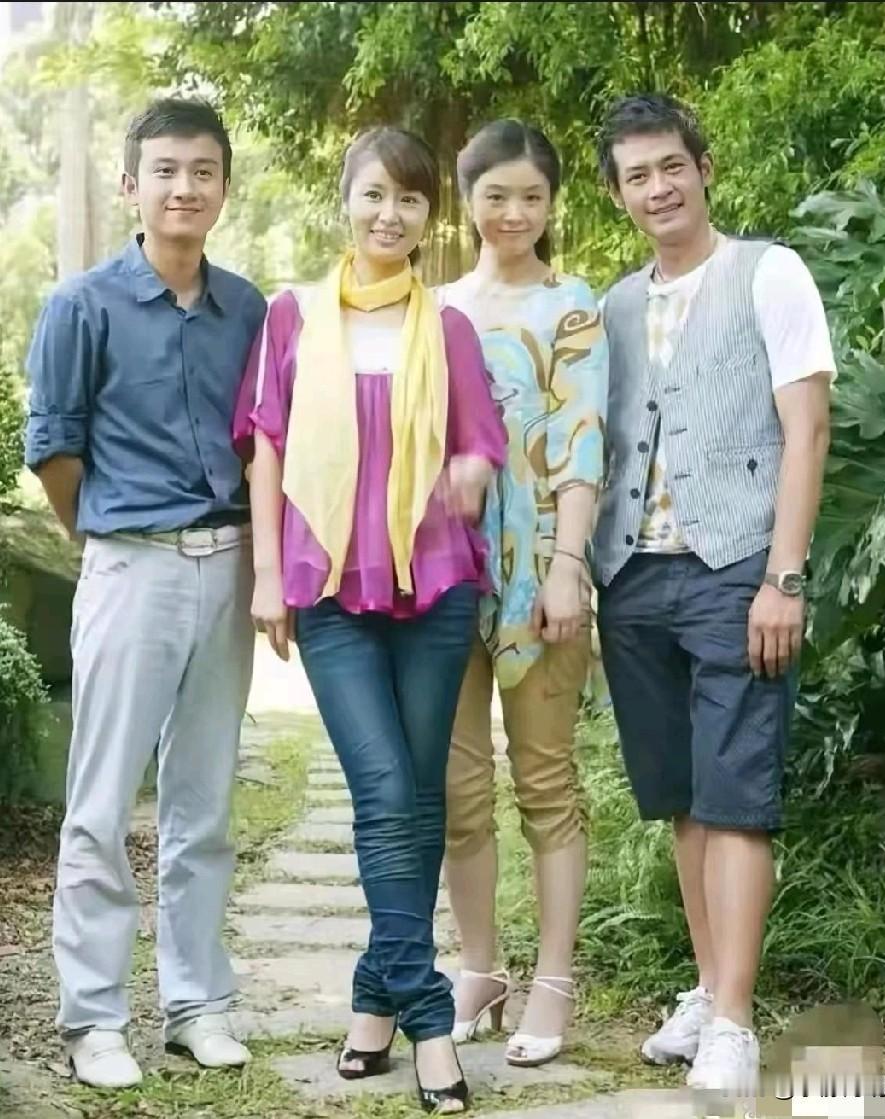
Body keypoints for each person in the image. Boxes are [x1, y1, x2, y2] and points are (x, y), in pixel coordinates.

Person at [232, 126, 506, 1114]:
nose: (390, 214)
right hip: (329, 588)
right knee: (388, 790)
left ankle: (373, 998)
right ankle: (430, 1014)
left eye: (410, 200)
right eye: (375, 194)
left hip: (435, 586)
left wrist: (466, 470)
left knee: (418, 797)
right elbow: (265, 445)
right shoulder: (294, 315)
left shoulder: (451, 328)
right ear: (345, 199)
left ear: (430, 216)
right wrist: (269, 575)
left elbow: (480, 444)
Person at [592, 93, 834, 1093]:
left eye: (670, 166)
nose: (658, 188)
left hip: (736, 564)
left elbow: (806, 429)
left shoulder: (768, 272)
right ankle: (706, 988)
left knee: (735, 796)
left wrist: (784, 574)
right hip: (631, 573)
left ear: (702, 168)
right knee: (682, 797)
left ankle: (734, 1019)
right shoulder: (612, 306)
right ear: (618, 194)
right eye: (636, 176)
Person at [24, 98, 267, 1088]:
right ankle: (93, 1019)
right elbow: (55, 450)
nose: (184, 188)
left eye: (202, 171)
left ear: (223, 187)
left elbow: (262, 443)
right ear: (131, 184)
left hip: (230, 562)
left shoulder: (247, 309)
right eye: (165, 170)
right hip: (131, 562)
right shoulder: (82, 305)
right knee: (101, 802)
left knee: (203, 802)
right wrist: (108, 542)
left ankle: (196, 1006)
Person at [438, 119, 608, 1068]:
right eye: (495, 194)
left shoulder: (570, 304)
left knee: (544, 778)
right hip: (444, 569)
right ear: (466, 198)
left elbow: (581, 442)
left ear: (551, 204)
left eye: (531, 196)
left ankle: (552, 978)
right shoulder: (433, 308)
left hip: (542, 567)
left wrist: (567, 564)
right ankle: (478, 965)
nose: (513, 212)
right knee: (458, 786)